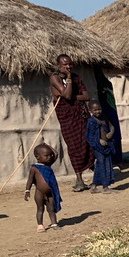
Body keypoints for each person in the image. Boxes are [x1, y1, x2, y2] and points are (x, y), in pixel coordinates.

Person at [49, 54, 93, 191]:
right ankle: (79, 179)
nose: (68, 67)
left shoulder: (76, 78)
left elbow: (86, 96)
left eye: (70, 64)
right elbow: (66, 95)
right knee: (74, 147)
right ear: (58, 66)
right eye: (65, 65)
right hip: (67, 118)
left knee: (88, 142)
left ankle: (97, 174)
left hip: (81, 115)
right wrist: (68, 79)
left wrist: (71, 96)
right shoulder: (54, 78)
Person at [24, 144, 61, 231]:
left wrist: (47, 146)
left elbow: (55, 154)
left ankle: (54, 223)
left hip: (50, 193)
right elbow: (30, 180)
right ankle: (40, 225)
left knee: (51, 209)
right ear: (38, 157)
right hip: (39, 193)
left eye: (49, 155)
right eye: (46, 156)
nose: (49, 157)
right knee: (40, 209)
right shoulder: (34, 168)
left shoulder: (48, 166)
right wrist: (27, 190)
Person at [85, 101, 116, 193]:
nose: (98, 112)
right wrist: (98, 140)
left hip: (107, 146)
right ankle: (105, 187)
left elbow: (112, 127)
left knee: (102, 165)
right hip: (97, 147)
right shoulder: (91, 122)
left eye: (99, 109)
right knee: (103, 164)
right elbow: (88, 136)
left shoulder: (104, 118)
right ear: (90, 111)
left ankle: (94, 186)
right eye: (95, 110)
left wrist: (111, 133)